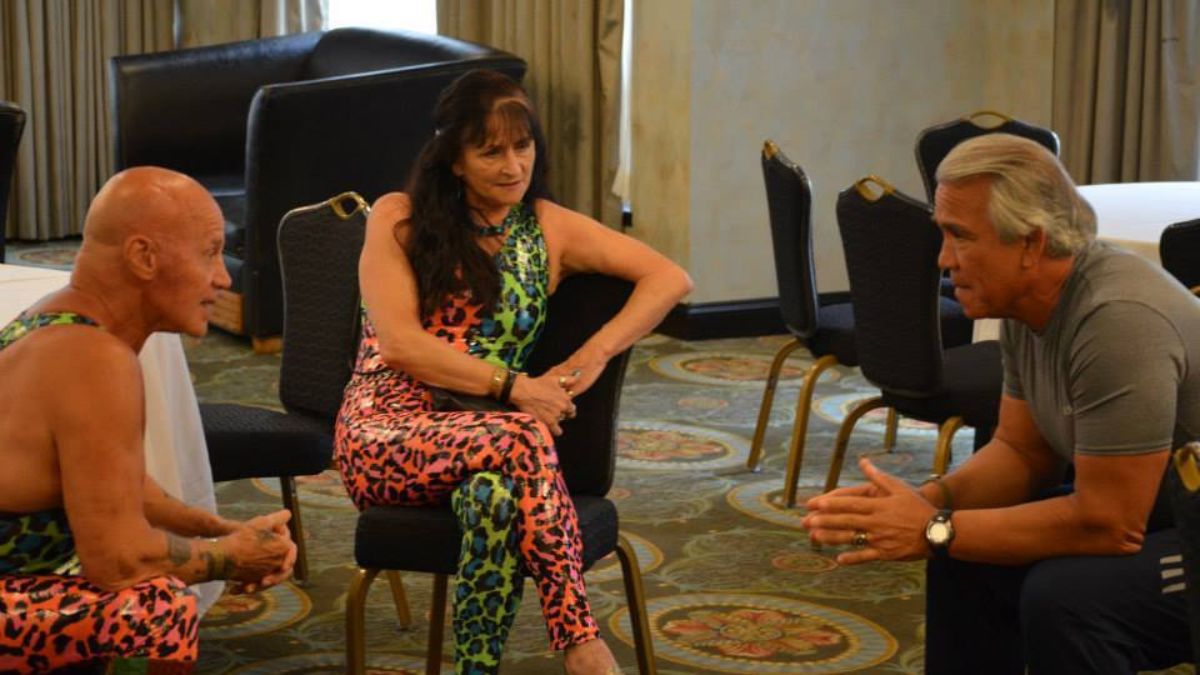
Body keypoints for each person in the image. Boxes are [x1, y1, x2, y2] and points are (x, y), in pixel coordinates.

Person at [335, 69, 692, 675]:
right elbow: (399, 345)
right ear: (453, 159)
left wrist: (591, 357)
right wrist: (515, 388)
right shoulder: (400, 216)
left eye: (521, 147)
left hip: (488, 447)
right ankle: (580, 640)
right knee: (524, 434)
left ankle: (476, 668)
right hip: (384, 430)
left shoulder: (547, 226)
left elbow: (670, 279)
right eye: (490, 151)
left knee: (492, 499)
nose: (511, 166)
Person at [802, 134, 1198, 674]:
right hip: (1160, 503)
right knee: (964, 556)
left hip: (1172, 517)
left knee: (1068, 600)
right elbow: (1020, 453)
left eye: (959, 237)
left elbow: (1109, 523)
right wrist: (923, 504)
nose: (943, 260)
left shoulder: (1117, 320)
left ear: (1031, 244)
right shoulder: (1027, 301)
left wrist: (934, 527)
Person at [0, 167, 297, 673]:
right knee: (156, 605)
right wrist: (233, 555)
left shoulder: (61, 320)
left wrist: (226, 529)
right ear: (142, 257)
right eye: (209, 252)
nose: (223, 278)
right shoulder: (93, 358)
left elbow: (127, 486)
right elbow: (116, 560)